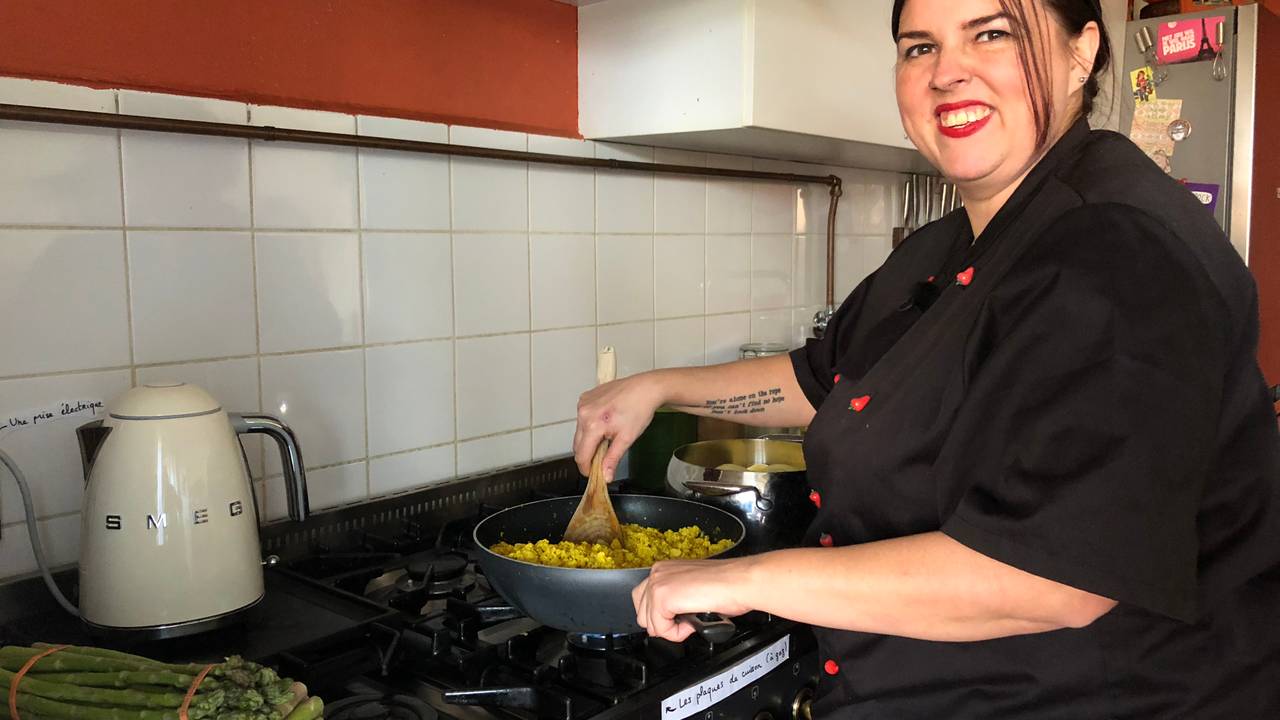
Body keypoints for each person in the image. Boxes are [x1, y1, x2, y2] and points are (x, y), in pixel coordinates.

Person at [572, 0, 1280, 716]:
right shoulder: (948, 246)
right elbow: (822, 379)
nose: (947, 73)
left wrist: (743, 579)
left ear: (1081, 52)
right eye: (919, 47)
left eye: (992, 34)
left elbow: (1053, 579)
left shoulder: (1118, 249)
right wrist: (655, 389)